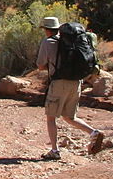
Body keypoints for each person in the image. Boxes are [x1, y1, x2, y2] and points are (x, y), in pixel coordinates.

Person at [33, 16, 104, 160]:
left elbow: (40, 65)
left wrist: (51, 64)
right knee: (69, 117)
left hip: (59, 82)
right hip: (76, 82)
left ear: (46, 30)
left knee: (51, 117)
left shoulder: (49, 42)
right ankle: (93, 133)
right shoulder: (71, 41)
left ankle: (54, 150)